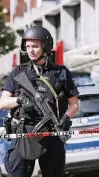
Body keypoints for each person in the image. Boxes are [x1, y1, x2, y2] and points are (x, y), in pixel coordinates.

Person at [0, 26, 79, 177]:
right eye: (28, 46)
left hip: (52, 133)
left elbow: (74, 104)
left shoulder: (60, 73)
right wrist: (20, 100)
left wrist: (65, 118)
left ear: (45, 47)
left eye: (35, 46)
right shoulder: (19, 72)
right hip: (24, 133)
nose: (31, 50)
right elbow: (2, 103)